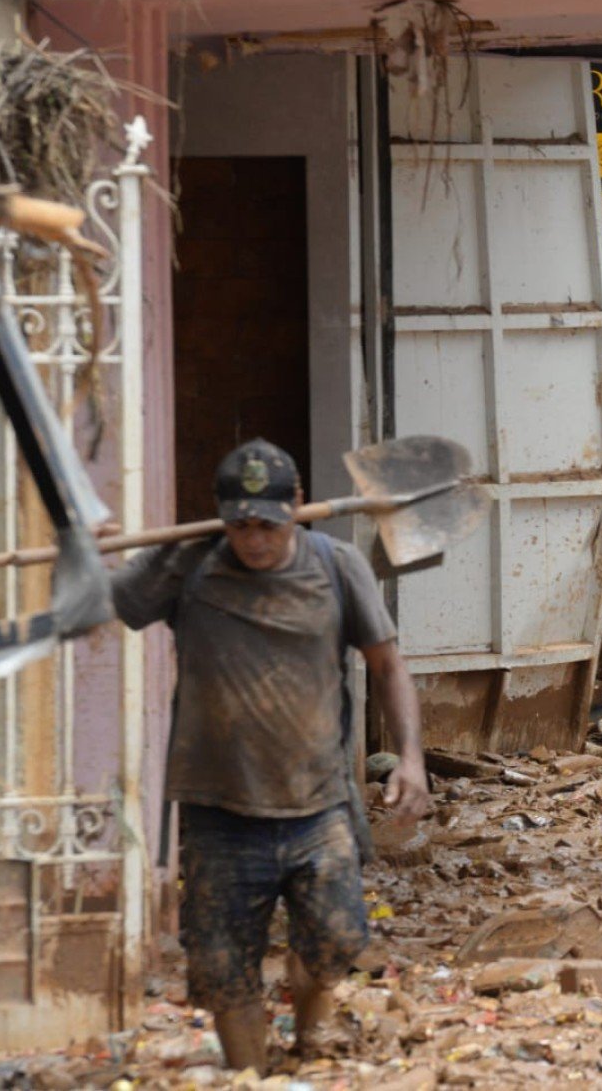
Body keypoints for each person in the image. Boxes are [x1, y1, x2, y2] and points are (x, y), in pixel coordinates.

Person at [109, 439, 430, 1071]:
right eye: (240, 525)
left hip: (318, 805)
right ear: (220, 516)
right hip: (218, 812)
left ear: (298, 507)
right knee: (225, 968)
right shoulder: (189, 566)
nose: (253, 540)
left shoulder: (336, 566)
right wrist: (121, 548)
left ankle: (309, 1042)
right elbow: (112, 605)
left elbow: (388, 664)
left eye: (267, 525)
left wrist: (411, 758)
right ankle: (250, 1076)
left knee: (331, 945)